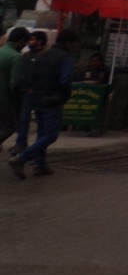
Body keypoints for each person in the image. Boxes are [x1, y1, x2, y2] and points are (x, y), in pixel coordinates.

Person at [9, 29, 75, 179]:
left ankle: (41, 165)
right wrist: (65, 95)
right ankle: (22, 158)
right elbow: (65, 80)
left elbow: (32, 77)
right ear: (69, 43)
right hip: (53, 99)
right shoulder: (66, 58)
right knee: (51, 134)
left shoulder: (42, 56)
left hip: (37, 99)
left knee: (42, 132)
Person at [11, 31, 46, 155]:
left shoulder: (44, 56)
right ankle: (21, 143)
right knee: (21, 118)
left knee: (27, 118)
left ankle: (25, 145)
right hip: (22, 91)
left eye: (32, 39)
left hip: (35, 93)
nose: (29, 42)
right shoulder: (25, 55)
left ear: (40, 41)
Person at [0, 27, 31, 151]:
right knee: (9, 126)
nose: (24, 46)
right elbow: (16, 82)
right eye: (25, 43)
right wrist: (14, 97)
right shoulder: (16, 57)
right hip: (4, 98)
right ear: (21, 40)